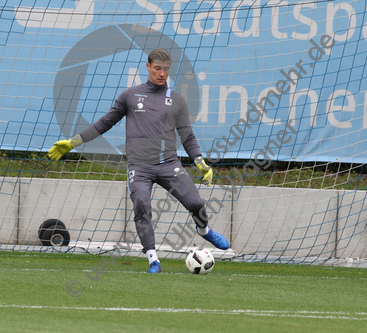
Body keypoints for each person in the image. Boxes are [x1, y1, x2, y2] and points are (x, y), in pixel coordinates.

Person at [48, 48, 229, 273]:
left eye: (166, 69)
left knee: (196, 204)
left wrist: (199, 161)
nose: (162, 73)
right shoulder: (130, 96)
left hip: (169, 164)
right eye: (157, 68)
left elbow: (187, 135)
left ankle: (204, 231)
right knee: (142, 205)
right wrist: (74, 142)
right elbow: (105, 122)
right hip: (139, 167)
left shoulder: (177, 101)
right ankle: (153, 259)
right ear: (148, 67)